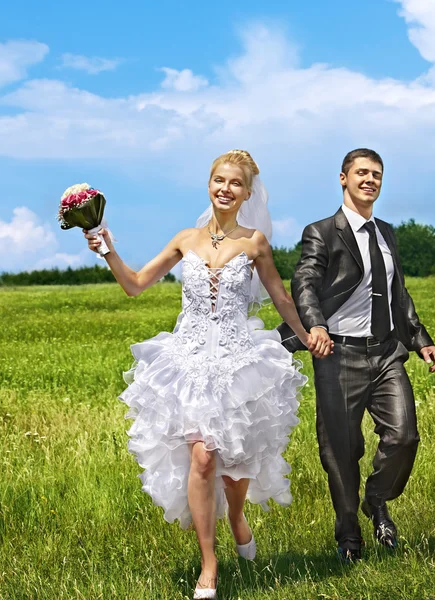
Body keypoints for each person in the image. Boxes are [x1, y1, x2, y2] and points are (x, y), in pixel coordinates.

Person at [84, 150, 322, 599]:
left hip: (237, 364)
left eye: (234, 183)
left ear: (246, 193)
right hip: (189, 365)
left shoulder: (255, 244)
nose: (224, 189)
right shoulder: (185, 239)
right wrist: (106, 248)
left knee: (234, 469)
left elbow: (281, 299)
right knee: (202, 457)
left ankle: (236, 517)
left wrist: (309, 337)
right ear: (208, 184)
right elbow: (135, 284)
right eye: (218, 180)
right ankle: (208, 565)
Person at [278, 148, 435, 562]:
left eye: (377, 174)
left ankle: (377, 498)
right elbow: (306, 281)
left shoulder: (387, 232)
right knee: (340, 452)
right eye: (362, 173)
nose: (370, 180)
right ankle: (349, 538)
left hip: (386, 353)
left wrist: (420, 338)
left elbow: (398, 292)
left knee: (405, 435)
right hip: (338, 354)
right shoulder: (322, 231)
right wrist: (314, 324)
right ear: (343, 178)